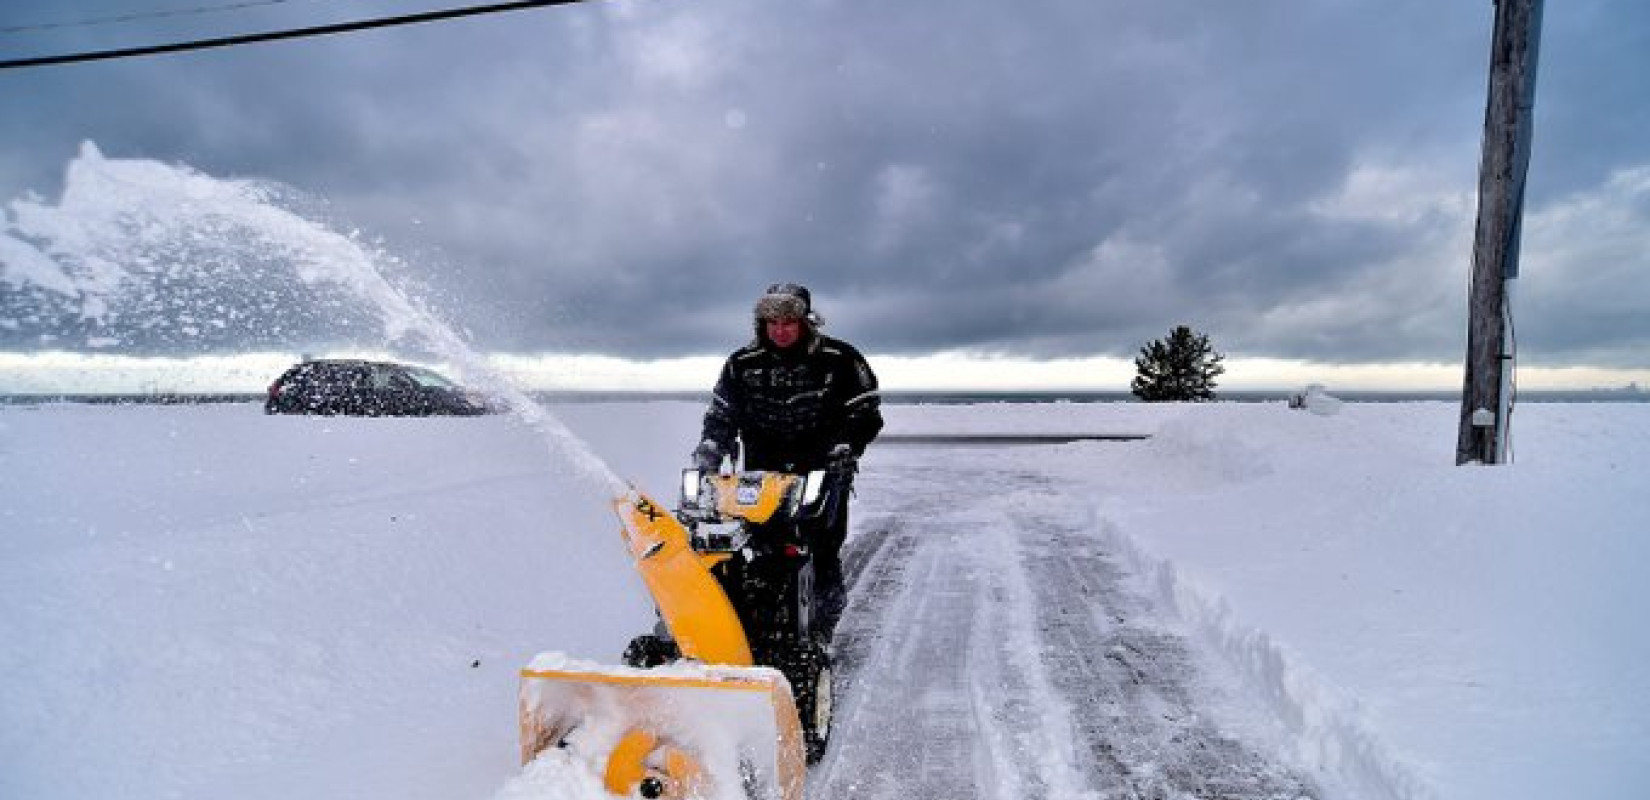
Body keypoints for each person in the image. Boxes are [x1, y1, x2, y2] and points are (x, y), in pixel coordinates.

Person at [694, 283, 882, 641]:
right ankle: (747, 625)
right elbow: (720, 417)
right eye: (772, 323)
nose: (780, 331)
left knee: (821, 549)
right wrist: (710, 449)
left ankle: (820, 629)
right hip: (761, 475)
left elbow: (866, 414)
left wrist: (846, 447)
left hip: (822, 473)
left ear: (805, 322)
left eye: (788, 322)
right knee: (755, 545)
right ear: (761, 324)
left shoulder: (840, 360)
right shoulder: (741, 365)